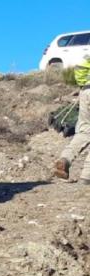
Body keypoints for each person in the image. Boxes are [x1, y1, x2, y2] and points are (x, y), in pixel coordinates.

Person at [54, 55, 90, 184]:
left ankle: (65, 159)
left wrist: (84, 86)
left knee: (85, 131)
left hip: (86, 91)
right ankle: (87, 176)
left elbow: (80, 69)